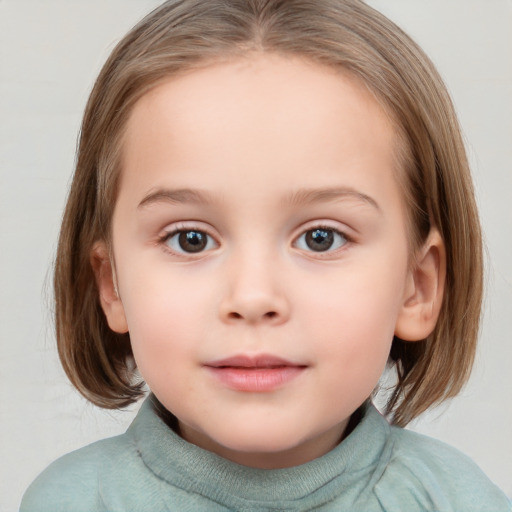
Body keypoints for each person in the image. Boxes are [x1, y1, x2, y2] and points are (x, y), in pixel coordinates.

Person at [20, 0, 511, 510]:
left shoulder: (455, 500)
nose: (253, 297)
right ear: (112, 285)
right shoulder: (73, 501)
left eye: (322, 237)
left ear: (418, 286)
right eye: (190, 238)